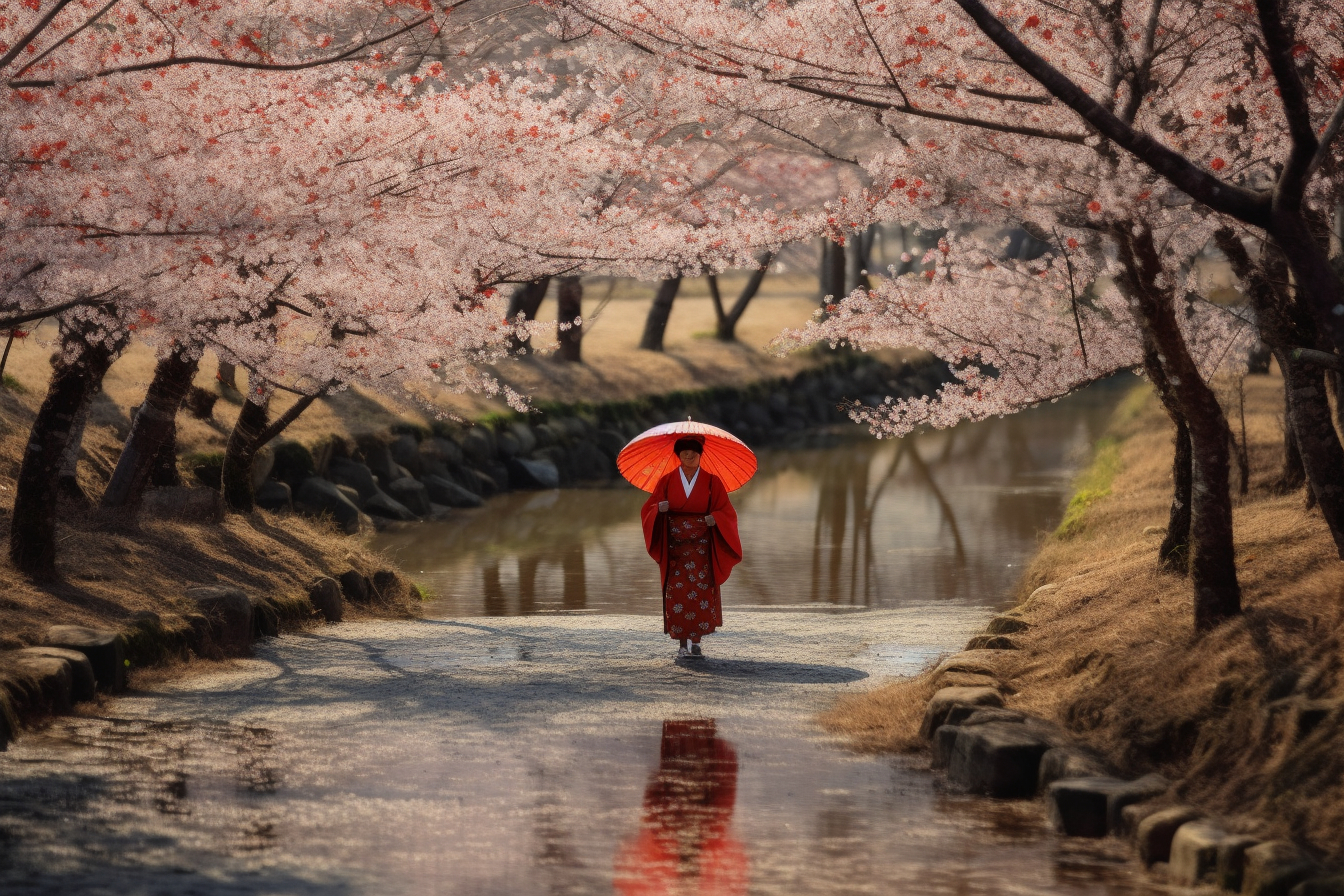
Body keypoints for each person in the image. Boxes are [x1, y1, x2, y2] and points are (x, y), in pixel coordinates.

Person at [640, 437, 742, 658]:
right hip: (675, 548)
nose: (689, 456)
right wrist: (659, 508)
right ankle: (681, 644)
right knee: (677, 594)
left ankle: (696, 641)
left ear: (700, 454)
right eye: (684, 452)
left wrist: (716, 518)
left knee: (700, 593)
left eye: (693, 452)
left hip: (701, 548)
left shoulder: (712, 482)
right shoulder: (666, 481)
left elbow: (727, 512)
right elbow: (648, 510)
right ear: (678, 455)